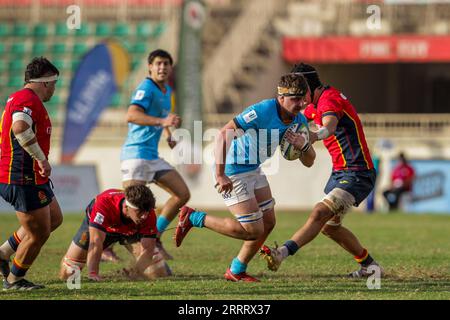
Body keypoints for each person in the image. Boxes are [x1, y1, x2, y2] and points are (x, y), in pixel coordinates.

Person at [174, 73, 316, 282]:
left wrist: (303, 146)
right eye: (295, 98)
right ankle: (193, 218)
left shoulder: (299, 120)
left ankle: (236, 269)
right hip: (233, 168)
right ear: (281, 97)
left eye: (303, 98)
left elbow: (309, 160)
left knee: (268, 222)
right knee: (252, 230)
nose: (301, 103)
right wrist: (220, 174)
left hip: (254, 168)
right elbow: (224, 134)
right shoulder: (262, 110)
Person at [260, 63, 383, 278]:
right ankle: (370, 267)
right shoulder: (310, 104)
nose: (297, 98)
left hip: (357, 172)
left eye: (300, 91)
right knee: (329, 227)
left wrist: (310, 137)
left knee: (319, 213)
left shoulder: (329, 98)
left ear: (308, 87)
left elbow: (329, 127)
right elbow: (292, 116)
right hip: (340, 173)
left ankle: (282, 253)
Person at [117, 49, 190, 261]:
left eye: (166, 63)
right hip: (136, 155)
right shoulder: (146, 87)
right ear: (150, 67)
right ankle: (101, 242)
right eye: (158, 63)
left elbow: (161, 115)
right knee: (131, 209)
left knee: (182, 194)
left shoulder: (167, 90)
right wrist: (162, 123)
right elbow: (131, 114)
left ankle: (155, 235)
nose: (162, 67)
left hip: (152, 156)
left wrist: (169, 134)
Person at [0, 57, 63, 290]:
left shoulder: (22, 98)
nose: (54, 89)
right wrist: (41, 159)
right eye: (54, 84)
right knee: (39, 233)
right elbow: (20, 128)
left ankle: (3, 254)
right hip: (22, 177)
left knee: (54, 218)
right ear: (45, 82)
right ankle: (14, 279)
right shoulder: (26, 99)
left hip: (32, 177)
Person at [59, 185, 171, 281]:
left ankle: (163, 269)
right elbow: (95, 241)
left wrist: (136, 272)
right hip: (103, 229)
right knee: (69, 273)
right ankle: (72, 255)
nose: (144, 216)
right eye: (140, 212)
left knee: (157, 271)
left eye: (147, 212)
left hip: (129, 231)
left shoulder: (147, 212)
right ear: (126, 206)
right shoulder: (104, 204)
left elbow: (148, 249)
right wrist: (93, 273)